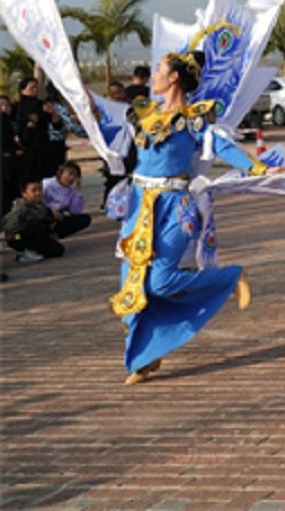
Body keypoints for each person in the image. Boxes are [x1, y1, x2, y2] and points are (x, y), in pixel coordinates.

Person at [99, 51, 273, 385]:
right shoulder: (143, 114)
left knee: (161, 281)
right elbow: (110, 132)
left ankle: (229, 277)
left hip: (174, 206)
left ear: (174, 77)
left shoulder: (194, 119)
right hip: (139, 206)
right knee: (130, 288)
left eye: (159, 70)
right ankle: (145, 357)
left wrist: (259, 167)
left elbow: (222, 147)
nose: (153, 76)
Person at [4, 178, 63, 261]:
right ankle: (23, 251)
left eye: (40, 189)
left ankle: (32, 250)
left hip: (33, 236)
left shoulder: (41, 206)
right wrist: (15, 240)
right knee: (37, 223)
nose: (38, 193)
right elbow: (9, 228)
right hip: (17, 237)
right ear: (24, 194)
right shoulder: (20, 208)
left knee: (57, 250)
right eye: (34, 190)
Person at [43, 161, 92, 241]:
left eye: (75, 176)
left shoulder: (71, 189)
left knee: (84, 219)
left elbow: (75, 211)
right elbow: (37, 203)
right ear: (61, 173)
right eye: (70, 174)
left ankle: (55, 235)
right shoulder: (47, 184)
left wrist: (78, 191)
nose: (72, 178)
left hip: (59, 217)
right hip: (45, 215)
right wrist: (50, 210)